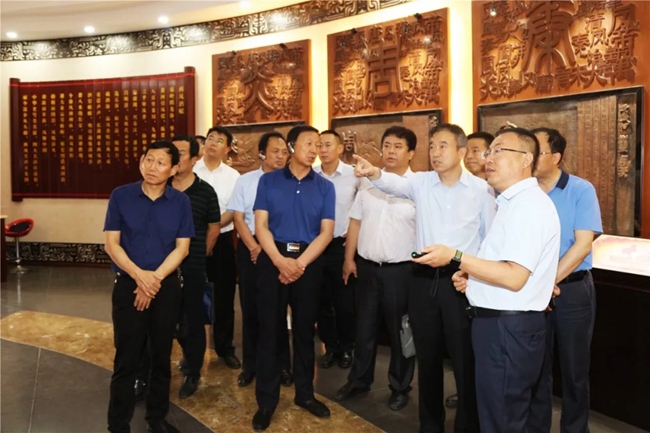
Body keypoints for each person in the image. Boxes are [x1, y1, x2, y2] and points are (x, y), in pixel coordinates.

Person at [352, 124, 495, 432]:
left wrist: (474, 274)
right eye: (432, 146)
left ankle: (467, 426)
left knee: (464, 359)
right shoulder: (421, 183)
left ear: (460, 151)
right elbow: (393, 184)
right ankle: (430, 425)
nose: (435, 153)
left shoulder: (481, 190)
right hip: (421, 279)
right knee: (426, 358)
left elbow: (489, 239)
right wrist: (373, 172)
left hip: (460, 280)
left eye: (443, 146)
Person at [446, 127, 560, 433]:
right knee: (508, 416)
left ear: (526, 159)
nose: (489, 158)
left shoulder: (528, 206)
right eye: (489, 152)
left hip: (507, 329)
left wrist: (455, 256)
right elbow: (506, 267)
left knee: (502, 420)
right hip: (504, 325)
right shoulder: (512, 203)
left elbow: (514, 277)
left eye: (499, 151)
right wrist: (474, 279)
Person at [104, 141, 195, 433]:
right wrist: (140, 277)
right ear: (141, 161)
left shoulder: (180, 202)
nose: (152, 167)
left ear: (174, 169)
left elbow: (182, 248)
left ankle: (156, 419)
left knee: (161, 356)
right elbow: (112, 244)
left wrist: (153, 279)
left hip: (165, 288)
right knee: (126, 357)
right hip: (128, 286)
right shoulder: (121, 195)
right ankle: (118, 424)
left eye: (160, 163)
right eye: (149, 160)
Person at [252, 125, 335, 431]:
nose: (315, 150)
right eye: (309, 143)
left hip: (308, 262)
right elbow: (261, 226)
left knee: (304, 330)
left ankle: (305, 394)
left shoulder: (325, 186)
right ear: (291, 146)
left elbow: (326, 233)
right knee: (269, 331)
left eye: (319, 144)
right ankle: (266, 401)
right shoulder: (268, 181)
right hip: (273, 259)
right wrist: (279, 261)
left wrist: (298, 264)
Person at [335, 126, 417, 412]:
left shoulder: (418, 187)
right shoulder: (368, 183)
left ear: (411, 153)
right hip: (367, 269)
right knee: (364, 329)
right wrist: (349, 259)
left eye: (398, 146)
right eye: (387, 145)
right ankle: (359, 380)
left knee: (401, 332)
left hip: (402, 272)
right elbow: (355, 221)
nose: (391, 151)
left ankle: (400, 387)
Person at [529, 127, 602, 433]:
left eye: (537, 151)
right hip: (531, 291)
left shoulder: (580, 190)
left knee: (574, 371)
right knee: (536, 369)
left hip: (572, 291)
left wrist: (548, 283)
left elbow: (583, 245)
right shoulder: (524, 192)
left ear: (556, 157)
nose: (530, 157)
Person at [226, 132, 294, 388]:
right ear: (262, 153)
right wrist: (255, 247)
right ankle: (250, 365)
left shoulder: (292, 181)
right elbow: (238, 219)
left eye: (284, 152)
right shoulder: (245, 181)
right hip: (251, 248)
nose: (280, 156)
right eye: (275, 151)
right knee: (251, 308)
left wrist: (267, 249)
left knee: (279, 309)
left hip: (280, 249)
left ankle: (282, 365)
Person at [169, 134, 221, 398]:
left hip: (193, 267)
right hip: (161, 270)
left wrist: (200, 253)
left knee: (193, 320)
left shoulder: (205, 191)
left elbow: (214, 228)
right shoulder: (160, 187)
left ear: (193, 159)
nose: (174, 158)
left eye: (179, 153)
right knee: (163, 321)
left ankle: (193, 372)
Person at [194, 126, 242, 369]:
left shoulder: (233, 176)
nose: (212, 143)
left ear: (228, 148)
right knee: (191, 296)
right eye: (209, 138)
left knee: (223, 297)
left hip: (222, 241)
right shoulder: (191, 169)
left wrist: (212, 227)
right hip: (192, 240)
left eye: (219, 140)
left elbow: (233, 210)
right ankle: (191, 351)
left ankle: (225, 348)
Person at [314, 129, 360, 370]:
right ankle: (330, 347)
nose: (322, 150)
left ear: (340, 148)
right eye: (319, 145)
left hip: (341, 245)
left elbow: (362, 211)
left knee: (344, 301)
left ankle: (347, 346)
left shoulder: (354, 175)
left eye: (328, 145)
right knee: (321, 300)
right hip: (315, 246)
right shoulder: (310, 175)